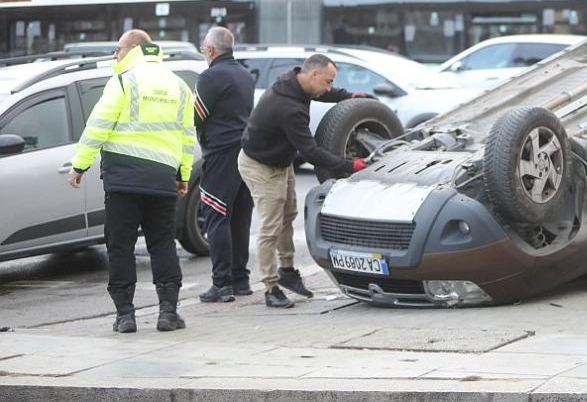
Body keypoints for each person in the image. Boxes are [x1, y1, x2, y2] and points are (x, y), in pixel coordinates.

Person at [68, 30, 195, 333]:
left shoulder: (124, 81)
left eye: (118, 49)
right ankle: (168, 313)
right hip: (162, 178)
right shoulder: (179, 85)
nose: (115, 55)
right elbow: (187, 137)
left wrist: (79, 165)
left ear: (135, 48)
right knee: (163, 243)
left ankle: (125, 316)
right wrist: (183, 175)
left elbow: (98, 125)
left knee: (120, 245)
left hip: (122, 180)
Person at [238, 53, 371, 309]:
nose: (329, 87)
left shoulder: (296, 80)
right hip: (260, 166)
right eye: (328, 81)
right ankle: (270, 287)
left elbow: (322, 93)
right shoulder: (288, 108)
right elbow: (312, 153)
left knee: (288, 215)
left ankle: (287, 271)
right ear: (313, 75)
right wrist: (349, 165)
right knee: (270, 226)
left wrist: (348, 96)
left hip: (279, 160)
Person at [194, 26, 256, 303]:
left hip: (220, 154)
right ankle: (241, 280)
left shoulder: (210, 76)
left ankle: (222, 284)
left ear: (210, 50)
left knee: (216, 217)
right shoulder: (245, 75)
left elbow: (196, 116)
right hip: (246, 153)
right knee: (240, 218)